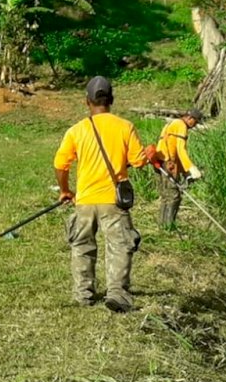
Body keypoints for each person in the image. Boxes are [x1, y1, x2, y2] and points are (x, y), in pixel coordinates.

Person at [53, 76, 147, 313]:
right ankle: (117, 293)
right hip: (113, 201)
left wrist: (65, 190)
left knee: (82, 246)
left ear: (87, 101)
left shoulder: (76, 130)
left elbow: (60, 164)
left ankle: (83, 294)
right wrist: (150, 153)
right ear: (111, 100)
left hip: (84, 200)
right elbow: (138, 161)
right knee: (119, 246)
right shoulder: (125, 127)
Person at [155, 108, 203, 227]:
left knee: (166, 196)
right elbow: (180, 150)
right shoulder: (181, 126)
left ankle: (162, 225)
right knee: (173, 196)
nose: (194, 125)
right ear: (189, 118)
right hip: (168, 164)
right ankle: (169, 226)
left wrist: (184, 172)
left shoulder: (171, 124)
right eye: (195, 122)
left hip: (161, 161)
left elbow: (173, 149)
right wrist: (191, 168)